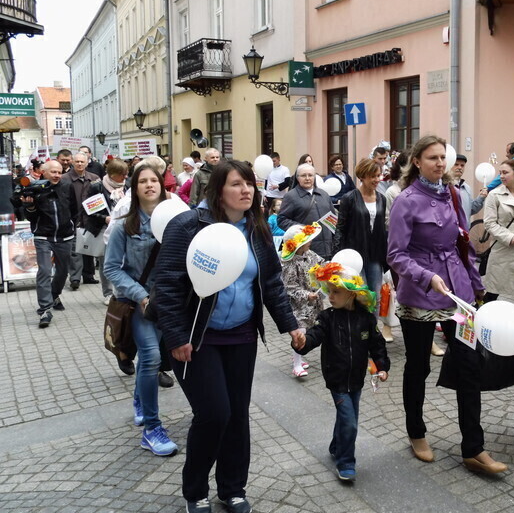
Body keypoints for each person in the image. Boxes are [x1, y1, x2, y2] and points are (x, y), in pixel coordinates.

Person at [154, 160, 305, 513]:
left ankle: (232, 488)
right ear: (218, 189)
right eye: (237, 184)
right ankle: (195, 492)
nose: (247, 190)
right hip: (196, 338)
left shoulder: (256, 228)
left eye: (250, 184)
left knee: (237, 414)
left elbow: (271, 283)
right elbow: (168, 285)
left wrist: (292, 325)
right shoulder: (187, 226)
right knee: (214, 414)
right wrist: (176, 337)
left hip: (241, 337)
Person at [387, 135, 507, 475]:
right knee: (419, 366)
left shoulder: (453, 193)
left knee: (469, 366)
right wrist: (425, 276)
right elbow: (395, 255)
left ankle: (474, 447)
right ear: (417, 162)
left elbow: (463, 245)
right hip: (421, 295)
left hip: (458, 292)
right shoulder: (405, 201)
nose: (440, 163)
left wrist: (476, 286)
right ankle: (416, 431)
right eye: (432, 157)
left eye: (443, 157)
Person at [104, 164, 177, 456]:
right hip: (141, 304)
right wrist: (141, 295)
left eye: (154, 180)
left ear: (162, 184)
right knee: (151, 358)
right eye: (142, 181)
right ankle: (152, 428)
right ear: (135, 188)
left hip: (172, 302)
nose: (149, 185)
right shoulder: (124, 225)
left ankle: (139, 399)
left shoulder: (176, 220)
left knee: (164, 355)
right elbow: (111, 268)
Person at [295, 261, 389, 482]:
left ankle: (337, 445)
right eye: (329, 291)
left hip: (356, 379)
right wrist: (302, 343)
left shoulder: (366, 318)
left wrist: (382, 366)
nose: (331, 296)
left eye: (336, 292)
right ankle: (346, 462)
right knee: (349, 420)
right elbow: (314, 335)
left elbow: (377, 344)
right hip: (336, 379)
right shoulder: (327, 317)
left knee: (348, 417)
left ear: (352, 294)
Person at [334, 158, 391, 340]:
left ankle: (371, 334)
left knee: (374, 297)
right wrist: (336, 256)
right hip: (355, 255)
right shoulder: (349, 198)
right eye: (372, 176)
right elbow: (340, 228)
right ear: (362, 176)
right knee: (360, 295)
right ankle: (357, 334)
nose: (376, 179)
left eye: (378, 175)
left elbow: (383, 228)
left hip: (375, 255)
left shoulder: (381, 199)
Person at [19, 160, 76, 328]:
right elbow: (30, 216)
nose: (57, 175)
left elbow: (74, 208)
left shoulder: (67, 186)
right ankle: (45, 309)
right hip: (43, 236)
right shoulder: (34, 188)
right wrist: (29, 206)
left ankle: (54, 294)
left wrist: (71, 223)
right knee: (44, 270)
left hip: (64, 236)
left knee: (63, 271)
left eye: (59, 172)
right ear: (44, 172)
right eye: (53, 172)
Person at [482, 159, 514, 307]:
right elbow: (490, 223)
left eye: (505, 173)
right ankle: (480, 321)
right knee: (493, 292)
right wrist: (509, 237)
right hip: (503, 250)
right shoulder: (494, 195)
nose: (502, 176)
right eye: (500, 173)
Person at [280, 223, 325, 378]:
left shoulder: (310, 254)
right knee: (300, 331)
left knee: (311, 328)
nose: (310, 242)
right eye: (307, 240)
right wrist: (306, 295)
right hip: (298, 304)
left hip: (313, 301)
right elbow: (290, 287)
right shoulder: (289, 263)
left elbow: (321, 264)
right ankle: (297, 364)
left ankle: (299, 356)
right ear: (299, 244)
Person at [85, 158, 128, 308]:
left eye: (126, 174)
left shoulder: (126, 186)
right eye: (122, 174)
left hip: (124, 227)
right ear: (112, 174)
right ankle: (108, 293)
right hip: (104, 229)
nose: (125, 177)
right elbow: (89, 210)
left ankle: (121, 290)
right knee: (106, 262)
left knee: (123, 261)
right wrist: (105, 218)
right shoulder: (96, 186)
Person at [277, 163, 334, 259]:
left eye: (310, 175)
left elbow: (333, 220)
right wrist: (302, 229)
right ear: (297, 178)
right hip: (305, 250)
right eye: (303, 175)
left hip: (328, 250)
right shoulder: (291, 196)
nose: (307, 178)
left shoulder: (324, 195)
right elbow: (282, 220)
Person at [65, 152, 100, 290]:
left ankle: (89, 275)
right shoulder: (65, 179)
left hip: (91, 218)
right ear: (73, 162)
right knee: (75, 250)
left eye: (82, 162)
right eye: (77, 161)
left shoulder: (95, 178)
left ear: (87, 163)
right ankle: (75, 278)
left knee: (89, 247)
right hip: (73, 218)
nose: (80, 164)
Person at [451, 154, 487, 222]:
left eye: (462, 165)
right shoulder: (443, 186)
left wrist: (481, 198)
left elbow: (471, 210)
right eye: (456, 164)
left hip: (464, 231)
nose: (459, 167)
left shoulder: (466, 188)